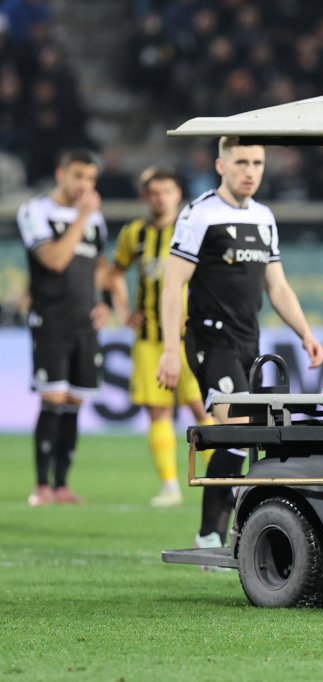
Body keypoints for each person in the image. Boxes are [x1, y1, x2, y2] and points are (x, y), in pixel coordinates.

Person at [156, 136, 323, 551]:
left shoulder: (264, 217)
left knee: (249, 437)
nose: (250, 171)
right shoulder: (199, 214)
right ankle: (209, 535)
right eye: (241, 162)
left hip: (249, 341)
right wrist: (170, 349)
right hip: (211, 340)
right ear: (221, 166)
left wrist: (304, 333)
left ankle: (234, 533)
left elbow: (277, 285)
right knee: (235, 430)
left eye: (257, 163)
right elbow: (173, 284)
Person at [109, 166, 214, 508]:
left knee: (201, 407)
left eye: (167, 191)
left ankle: (220, 482)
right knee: (157, 412)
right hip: (149, 339)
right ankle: (169, 486)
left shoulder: (192, 231)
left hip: (189, 338)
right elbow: (114, 273)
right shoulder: (134, 234)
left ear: (177, 194)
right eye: (154, 193)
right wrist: (123, 311)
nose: (161, 199)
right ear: (145, 196)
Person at [16, 149, 110, 506]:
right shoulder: (36, 211)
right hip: (51, 318)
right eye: (78, 176)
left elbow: (98, 265)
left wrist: (104, 301)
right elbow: (54, 260)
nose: (85, 185)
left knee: (73, 401)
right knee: (52, 398)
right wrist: (82, 216)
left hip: (85, 322)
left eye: (90, 179)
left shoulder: (95, 218)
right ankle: (41, 486)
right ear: (61, 174)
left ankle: (62, 485)